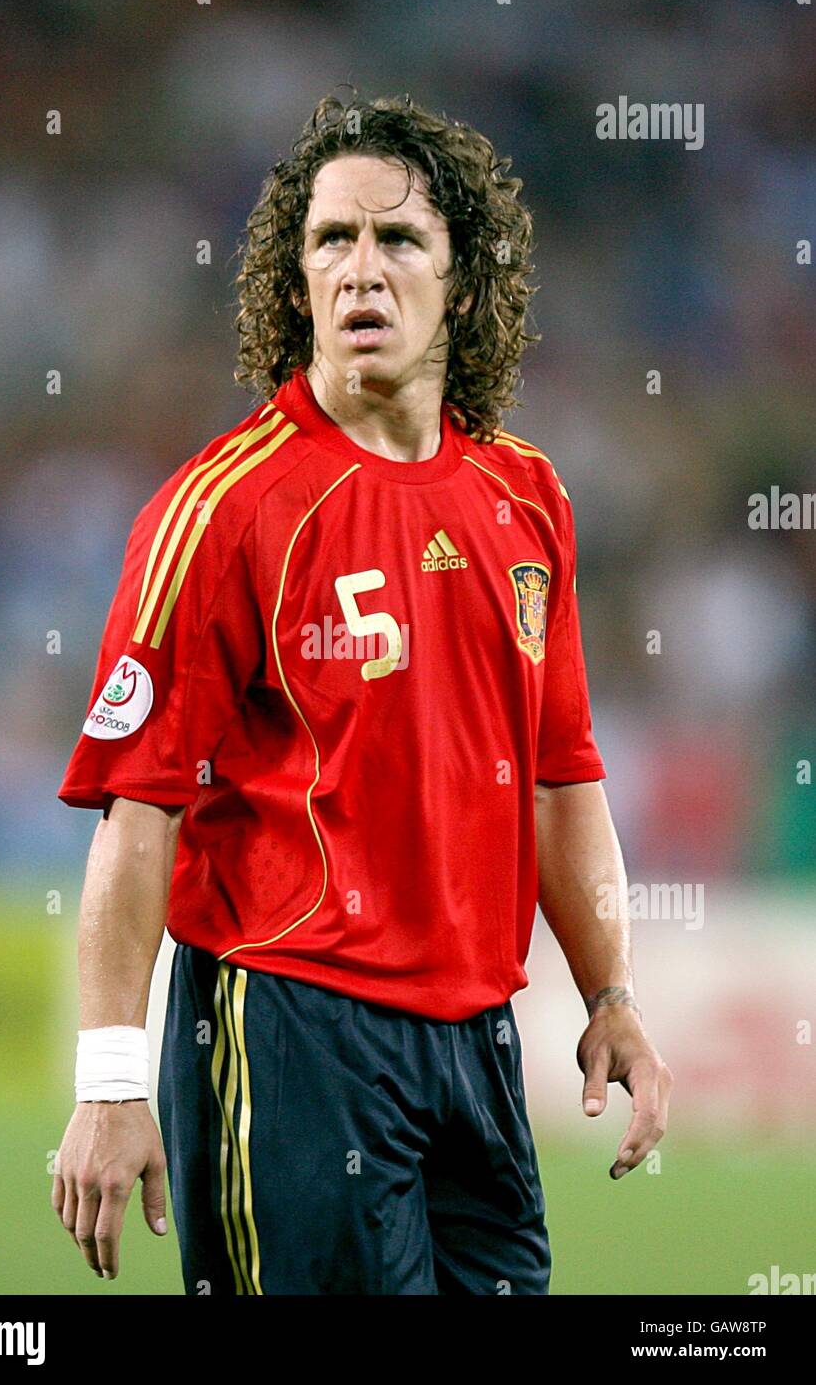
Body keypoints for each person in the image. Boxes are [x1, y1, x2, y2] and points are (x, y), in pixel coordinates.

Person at [52, 92, 672, 1295]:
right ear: (295, 284)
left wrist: (609, 990)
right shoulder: (225, 510)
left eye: (398, 240)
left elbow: (562, 779)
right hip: (290, 1030)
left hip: (477, 1047)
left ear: (465, 280)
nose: (361, 269)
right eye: (331, 240)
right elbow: (138, 815)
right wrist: (112, 1080)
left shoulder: (527, 497)